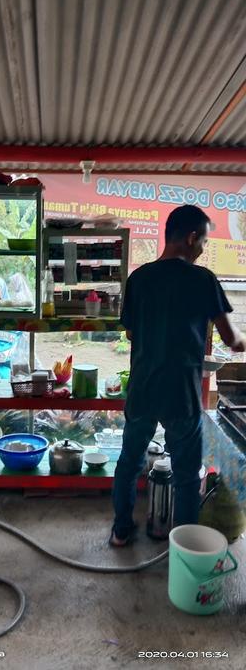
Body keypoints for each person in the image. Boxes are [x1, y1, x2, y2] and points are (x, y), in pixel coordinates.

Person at [111, 205, 246, 547]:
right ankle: (183, 546)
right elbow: (232, 339)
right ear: (190, 238)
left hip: (142, 387)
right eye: (202, 241)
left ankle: (121, 531)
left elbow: (130, 335)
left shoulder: (138, 278)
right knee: (186, 476)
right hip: (181, 394)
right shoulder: (203, 280)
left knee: (129, 463)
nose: (202, 249)